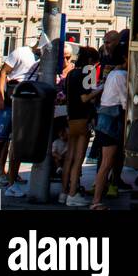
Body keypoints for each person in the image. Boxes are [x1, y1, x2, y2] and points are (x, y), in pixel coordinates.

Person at [0, 41, 40, 197]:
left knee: (17, 144)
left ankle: (10, 182)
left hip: (27, 102)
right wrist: (0, 97)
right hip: (10, 100)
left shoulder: (45, 60)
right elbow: (3, 72)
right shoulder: (21, 52)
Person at [90, 43, 128, 210]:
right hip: (112, 118)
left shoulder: (113, 74)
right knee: (107, 162)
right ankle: (96, 201)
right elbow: (125, 101)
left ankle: (97, 198)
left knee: (105, 161)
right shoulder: (121, 75)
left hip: (105, 116)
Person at [62, 45, 99, 207]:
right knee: (79, 158)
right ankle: (73, 194)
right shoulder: (88, 72)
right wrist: (100, 89)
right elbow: (86, 98)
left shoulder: (71, 73)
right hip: (83, 118)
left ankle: (64, 192)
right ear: (91, 61)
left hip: (71, 117)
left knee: (69, 157)